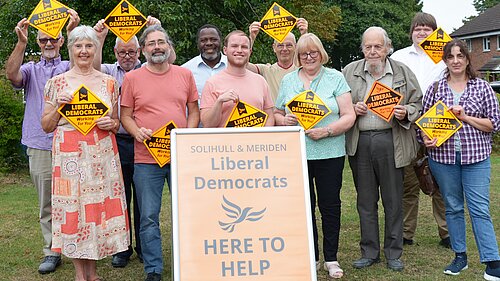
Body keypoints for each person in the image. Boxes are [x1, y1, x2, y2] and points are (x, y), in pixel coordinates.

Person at [40, 25, 130, 281]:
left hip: (101, 154)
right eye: (78, 46)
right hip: (69, 155)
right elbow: (46, 125)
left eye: (89, 45)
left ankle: (93, 272)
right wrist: (59, 107)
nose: (83, 51)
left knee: (96, 211)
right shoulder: (56, 83)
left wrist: (110, 124)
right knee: (74, 212)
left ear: (96, 49)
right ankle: (81, 274)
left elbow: (116, 122)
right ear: (70, 49)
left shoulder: (110, 83)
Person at [120, 25, 199, 281]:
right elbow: (125, 116)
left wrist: (186, 135)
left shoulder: (185, 75)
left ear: (168, 46)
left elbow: (194, 110)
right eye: (151, 43)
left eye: (161, 42)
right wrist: (135, 131)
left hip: (180, 157)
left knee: (188, 212)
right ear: (143, 50)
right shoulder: (132, 78)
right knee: (149, 217)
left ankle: (191, 262)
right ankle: (153, 269)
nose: (157, 47)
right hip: (146, 159)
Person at [274, 33, 355, 278]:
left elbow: (348, 115)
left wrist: (328, 131)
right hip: (298, 153)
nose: (309, 57)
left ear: (321, 54)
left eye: (313, 53)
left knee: (330, 205)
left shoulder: (335, 78)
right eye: (304, 54)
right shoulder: (289, 80)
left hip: (330, 151)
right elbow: (277, 112)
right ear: (298, 57)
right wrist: (284, 120)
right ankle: (312, 256)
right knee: (304, 207)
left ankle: (331, 258)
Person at [5, 10, 80, 274]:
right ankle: (51, 251)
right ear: (38, 43)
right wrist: (21, 42)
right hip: (39, 143)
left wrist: (73, 32)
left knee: (75, 198)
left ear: (61, 42)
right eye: (43, 40)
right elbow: (11, 75)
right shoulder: (30, 70)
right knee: (46, 202)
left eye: (54, 40)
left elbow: (84, 65)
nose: (49, 44)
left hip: (71, 139)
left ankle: (76, 246)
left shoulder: (68, 66)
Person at [342, 26, 422, 272]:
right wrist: (351, 109)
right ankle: (369, 251)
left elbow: (417, 102)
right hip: (361, 141)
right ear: (362, 48)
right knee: (365, 201)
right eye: (368, 46)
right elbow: (337, 103)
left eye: (378, 46)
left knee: (393, 200)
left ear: (388, 48)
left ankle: (394, 253)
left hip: (392, 140)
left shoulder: (402, 71)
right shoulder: (349, 72)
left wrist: (405, 111)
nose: (373, 51)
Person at [421, 39, 500, 280]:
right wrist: (426, 139)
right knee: (453, 208)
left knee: (479, 209)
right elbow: (422, 126)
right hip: (443, 160)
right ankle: (460, 257)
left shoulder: (481, 88)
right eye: (451, 56)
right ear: (445, 60)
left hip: (476, 158)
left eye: (460, 56)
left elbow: (494, 124)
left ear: (467, 59)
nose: (455, 61)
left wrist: (466, 117)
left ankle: (492, 261)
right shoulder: (435, 89)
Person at [93, 16, 162, 268]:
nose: (127, 56)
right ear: (115, 52)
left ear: (139, 51)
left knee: (144, 199)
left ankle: (145, 247)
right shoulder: (109, 70)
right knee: (120, 197)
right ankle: (122, 248)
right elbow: (95, 65)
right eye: (122, 51)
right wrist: (99, 36)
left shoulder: (149, 70)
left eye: (132, 51)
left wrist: (154, 28)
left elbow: (165, 54)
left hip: (145, 141)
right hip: (118, 140)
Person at [390, 12, 449, 248]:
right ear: (411, 32)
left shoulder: (445, 54)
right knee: (408, 182)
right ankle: (406, 232)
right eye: (418, 28)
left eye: (427, 28)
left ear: (435, 32)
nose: (422, 32)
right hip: (407, 124)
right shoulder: (399, 56)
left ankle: (447, 233)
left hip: (438, 124)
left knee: (442, 181)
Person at [200, 30, 274, 127]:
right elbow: (208, 124)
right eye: (234, 46)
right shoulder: (212, 83)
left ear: (250, 52)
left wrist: (263, 139)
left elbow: (269, 116)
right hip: (224, 141)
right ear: (225, 50)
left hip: (255, 141)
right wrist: (219, 102)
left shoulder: (260, 81)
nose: (239, 50)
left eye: (244, 47)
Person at [247, 18, 308, 101]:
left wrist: (304, 35)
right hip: (273, 113)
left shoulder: (303, 69)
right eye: (280, 45)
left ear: (296, 47)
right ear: (274, 48)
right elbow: (243, 65)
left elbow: (311, 56)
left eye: (289, 45)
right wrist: (251, 38)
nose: (285, 49)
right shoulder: (266, 70)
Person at [182, 24, 228, 98]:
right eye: (203, 40)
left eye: (213, 39)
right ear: (198, 44)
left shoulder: (233, 65)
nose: (209, 43)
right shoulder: (186, 70)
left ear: (221, 41)